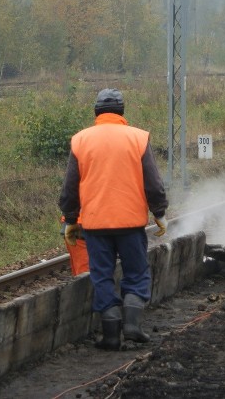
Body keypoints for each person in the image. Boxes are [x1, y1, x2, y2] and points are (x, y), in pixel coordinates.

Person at [59, 89, 169, 351]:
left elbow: (70, 187)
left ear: (96, 112)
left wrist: (71, 218)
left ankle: (110, 335)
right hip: (130, 223)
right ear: (122, 112)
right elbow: (152, 181)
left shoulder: (80, 140)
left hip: (95, 225)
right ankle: (132, 326)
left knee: (102, 276)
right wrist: (160, 212)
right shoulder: (138, 138)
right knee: (136, 272)